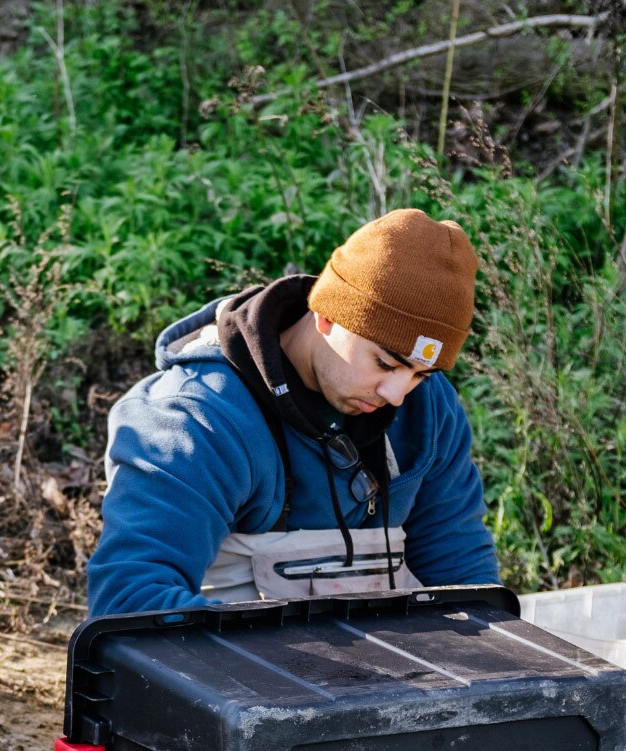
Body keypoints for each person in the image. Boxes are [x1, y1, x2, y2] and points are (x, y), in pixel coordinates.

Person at [88, 208, 500, 616]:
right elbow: (130, 599)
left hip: (387, 674)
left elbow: (464, 580)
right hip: (232, 675)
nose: (396, 394)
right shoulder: (198, 419)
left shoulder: (428, 409)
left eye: (420, 374)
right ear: (327, 316)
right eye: (386, 363)